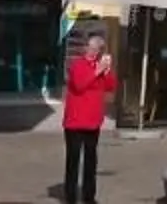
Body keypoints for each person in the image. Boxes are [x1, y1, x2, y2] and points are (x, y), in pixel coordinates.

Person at [63, 31, 116, 204]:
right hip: (75, 122)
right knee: (73, 160)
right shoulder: (78, 65)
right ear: (86, 48)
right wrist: (97, 71)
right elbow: (79, 85)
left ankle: (89, 197)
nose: (94, 52)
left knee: (91, 161)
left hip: (93, 121)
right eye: (92, 48)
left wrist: (107, 70)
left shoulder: (98, 66)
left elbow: (110, 86)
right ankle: (70, 196)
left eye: (98, 49)